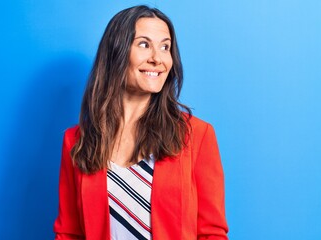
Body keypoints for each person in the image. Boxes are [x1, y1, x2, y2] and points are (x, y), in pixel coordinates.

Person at [53, 5, 228, 240]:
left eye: (165, 47)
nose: (157, 58)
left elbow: (212, 233)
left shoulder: (197, 135)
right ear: (116, 52)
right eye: (144, 44)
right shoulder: (76, 141)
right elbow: (69, 233)